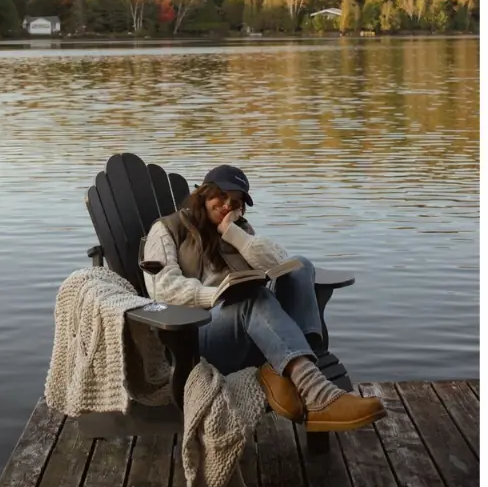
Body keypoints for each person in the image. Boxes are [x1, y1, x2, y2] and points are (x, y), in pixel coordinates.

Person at [141, 164, 386, 432]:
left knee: (301, 265)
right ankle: (316, 394)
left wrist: (235, 234)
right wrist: (217, 295)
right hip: (197, 338)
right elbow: (162, 287)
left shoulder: (238, 230)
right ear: (203, 194)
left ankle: (296, 373)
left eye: (234, 202)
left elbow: (282, 263)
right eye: (220, 197)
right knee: (252, 298)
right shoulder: (167, 229)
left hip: (250, 331)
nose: (226, 206)